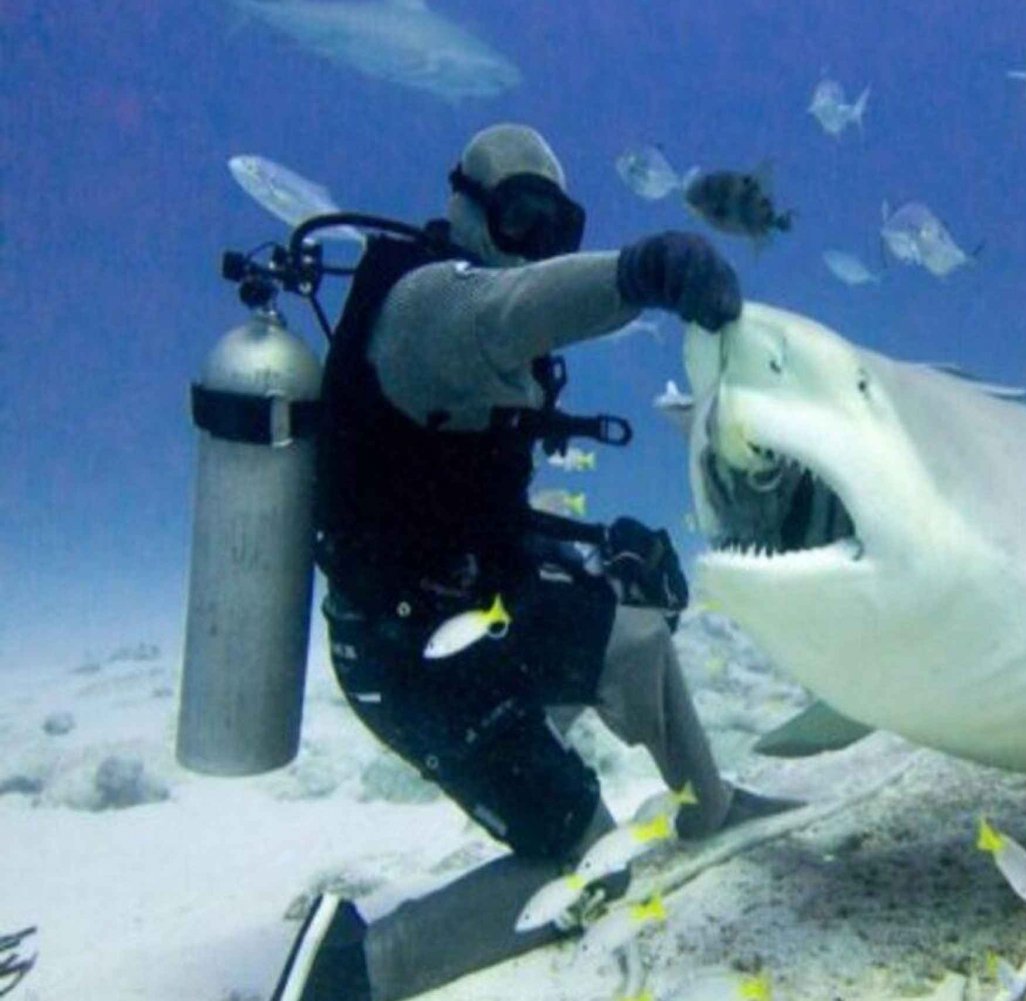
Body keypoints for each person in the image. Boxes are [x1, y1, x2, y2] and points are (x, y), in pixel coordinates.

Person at [271, 124, 798, 1001]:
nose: (535, 246)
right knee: (594, 866)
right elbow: (505, 310)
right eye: (519, 217)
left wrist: (585, 548)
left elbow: (463, 505)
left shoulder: (478, 342)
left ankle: (712, 804)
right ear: (465, 207)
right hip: (409, 661)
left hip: (480, 602)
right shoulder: (430, 308)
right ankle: (350, 970)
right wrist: (639, 272)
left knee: (634, 633)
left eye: (556, 226)